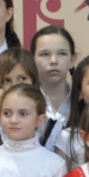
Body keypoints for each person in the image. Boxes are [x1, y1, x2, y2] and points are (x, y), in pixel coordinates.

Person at [31, 25, 76, 153]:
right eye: (45, 54)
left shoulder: (83, 100)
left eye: (62, 54)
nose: (53, 61)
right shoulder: (24, 102)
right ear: (32, 59)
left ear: (72, 60)